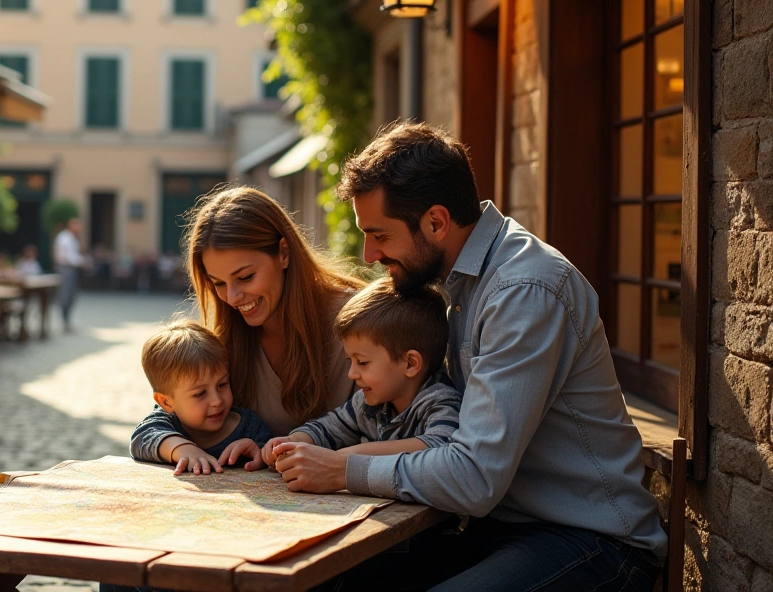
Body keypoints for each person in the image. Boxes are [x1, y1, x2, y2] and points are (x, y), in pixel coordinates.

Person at [269, 122, 663, 590]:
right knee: (331, 578)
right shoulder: (457, 283)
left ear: (436, 221)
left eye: (380, 235)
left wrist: (341, 469)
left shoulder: (523, 290)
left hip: (594, 540)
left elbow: (474, 475)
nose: (369, 254)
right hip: (497, 530)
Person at [129, 186, 364, 472]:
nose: (232, 298)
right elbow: (164, 418)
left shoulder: (356, 320)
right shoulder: (227, 334)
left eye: (245, 277)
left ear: (284, 254)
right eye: (218, 283)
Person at [261, 277, 461, 466]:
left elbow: (440, 447)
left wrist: (342, 459)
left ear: (410, 363)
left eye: (362, 362)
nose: (352, 374)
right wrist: (292, 442)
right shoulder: (366, 404)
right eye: (351, 361)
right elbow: (327, 428)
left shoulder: (441, 401)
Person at [130, 320, 273, 474]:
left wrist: (259, 453)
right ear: (166, 402)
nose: (217, 401)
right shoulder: (166, 422)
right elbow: (141, 439)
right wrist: (184, 450)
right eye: (200, 393)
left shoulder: (250, 426)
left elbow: (275, 457)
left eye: (222, 384)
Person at [52, 217, 84, 332]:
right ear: (71, 226)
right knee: (65, 295)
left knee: (71, 296)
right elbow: (67, 257)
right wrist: (82, 261)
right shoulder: (64, 238)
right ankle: (64, 321)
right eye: (77, 225)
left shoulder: (72, 239)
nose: (79, 228)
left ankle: (67, 321)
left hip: (71, 269)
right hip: (65, 269)